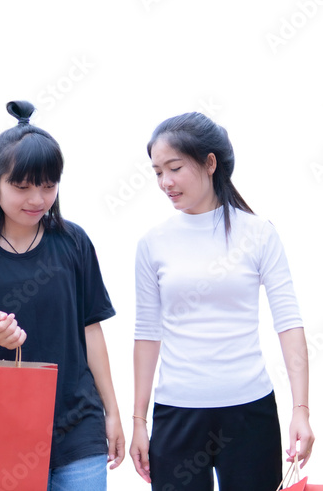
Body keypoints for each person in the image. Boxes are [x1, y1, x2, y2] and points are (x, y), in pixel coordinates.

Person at [0, 100, 125, 491]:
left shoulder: (74, 243)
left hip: (78, 430)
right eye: (22, 187)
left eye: (48, 185)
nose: (37, 199)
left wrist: (112, 411)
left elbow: (91, 332)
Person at [129, 112, 314, 491]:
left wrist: (301, 409)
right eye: (158, 172)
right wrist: (138, 422)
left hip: (249, 411)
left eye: (174, 168)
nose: (165, 182)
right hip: (177, 414)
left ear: (209, 163)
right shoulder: (153, 243)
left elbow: (289, 323)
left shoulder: (259, 233)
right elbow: (147, 333)